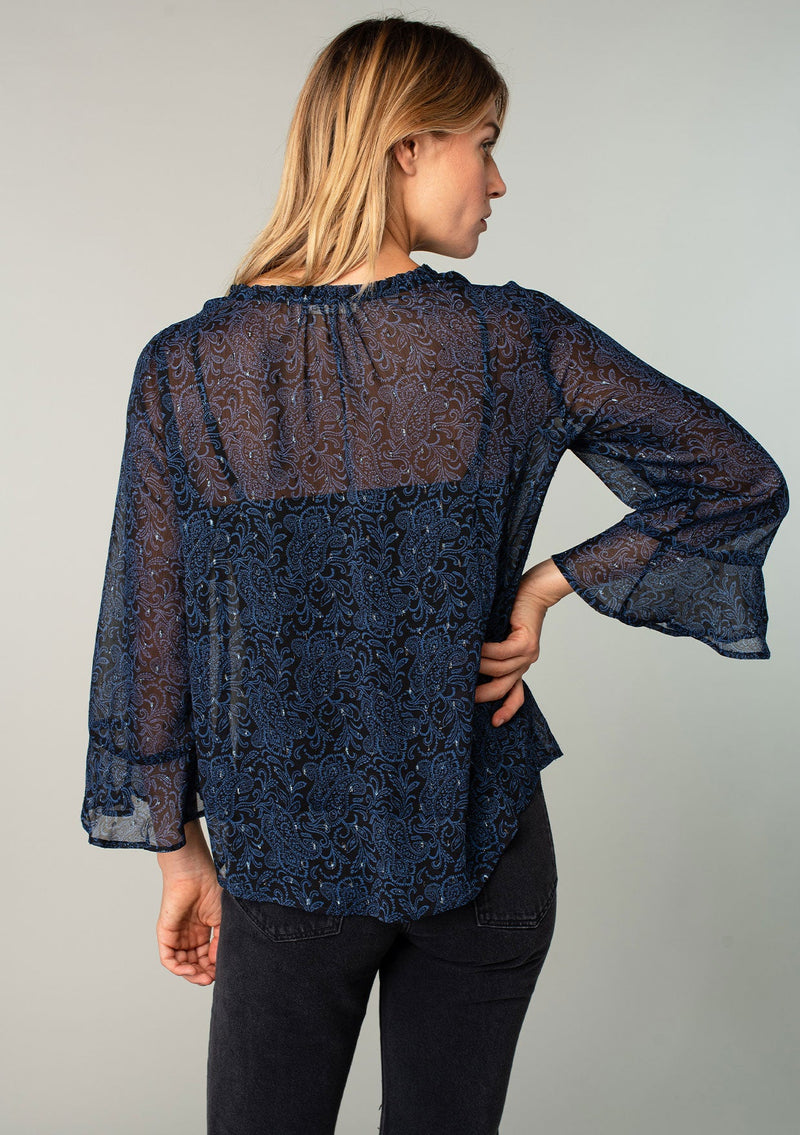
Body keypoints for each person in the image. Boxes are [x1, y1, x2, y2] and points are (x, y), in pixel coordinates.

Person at [80, 15, 790, 1135]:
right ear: (406, 146)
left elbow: (148, 634)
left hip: (287, 857)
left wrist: (179, 859)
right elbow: (734, 478)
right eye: (485, 144)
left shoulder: (189, 369)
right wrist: (546, 586)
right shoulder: (514, 341)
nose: (498, 182)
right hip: (481, 833)